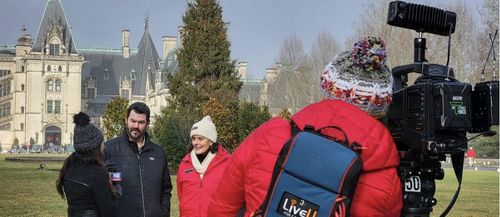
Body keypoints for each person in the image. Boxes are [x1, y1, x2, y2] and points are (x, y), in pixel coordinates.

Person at [207, 37, 402, 217]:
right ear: (380, 106)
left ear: (327, 87)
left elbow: (222, 205)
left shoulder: (272, 133)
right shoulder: (383, 173)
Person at [104, 102, 173, 217]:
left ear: (147, 124)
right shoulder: (109, 149)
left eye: (141, 122)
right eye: (133, 121)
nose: (136, 126)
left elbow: (165, 190)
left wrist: (164, 213)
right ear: (126, 120)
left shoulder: (159, 153)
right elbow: (100, 190)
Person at [56, 112, 117, 217]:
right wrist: (116, 190)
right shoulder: (97, 173)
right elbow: (108, 211)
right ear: (95, 147)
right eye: (101, 143)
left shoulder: (69, 168)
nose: (104, 146)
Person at [177, 115, 230, 216]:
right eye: (193, 138)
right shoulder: (185, 164)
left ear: (211, 141)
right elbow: (181, 195)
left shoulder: (226, 163)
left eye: (201, 139)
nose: (196, 143)